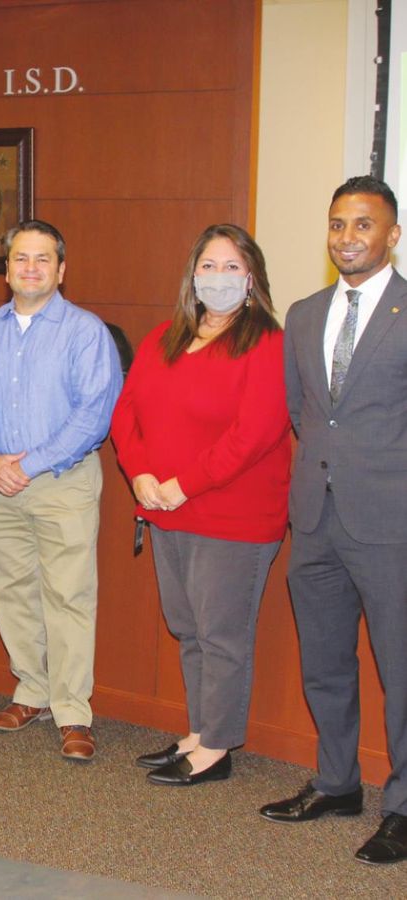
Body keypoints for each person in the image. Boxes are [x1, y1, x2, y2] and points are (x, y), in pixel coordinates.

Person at [260, 175, 407, 865]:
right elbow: (304, 413)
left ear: (392, 235)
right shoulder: (305, 313)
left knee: (402, 672)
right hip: (315, 520)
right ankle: (338, 783)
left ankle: (403, 809)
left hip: (391, 525)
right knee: (325, 663)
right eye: (338, 224)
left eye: (364, 225)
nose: (348, 237)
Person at [111, 224, 291, 785]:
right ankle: (198, 730)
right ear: (193, 275)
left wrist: (183, 484)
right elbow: (127, 412)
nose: (218, 278)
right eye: (208, 266)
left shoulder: (267, 344)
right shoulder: (165, 336)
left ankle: (217, 745)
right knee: (188, 628)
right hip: (166, 510)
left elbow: (254, 433)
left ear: (252, 278)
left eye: (231, 267)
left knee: (221, 634)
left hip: (232, 517)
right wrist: (140, 472)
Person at [0, 220, 121, 762]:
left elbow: (96, 412)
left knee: (68, 594)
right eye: (21, 258)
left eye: (43, 259)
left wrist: (32, 463)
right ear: (6, 269)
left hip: (62, 483)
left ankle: (71, 710)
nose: (31, 268)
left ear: (61, 269)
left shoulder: (86, 332)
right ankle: (32, 690)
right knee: (11, 588)